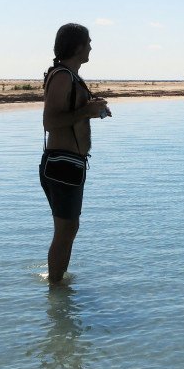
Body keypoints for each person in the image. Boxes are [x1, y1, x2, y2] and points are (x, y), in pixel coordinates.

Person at [40, 23, 109, 285]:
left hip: (70, 165)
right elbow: (50, 122)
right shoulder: (62, 76)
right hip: (62, 165)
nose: (91, 47)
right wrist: (87, 111)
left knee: (69, 228)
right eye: (88, 42)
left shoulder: (71, 76)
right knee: (65, 229)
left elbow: (72, 114)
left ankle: (59, 284)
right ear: (77, 46)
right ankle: (55, 287)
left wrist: (93, 110)